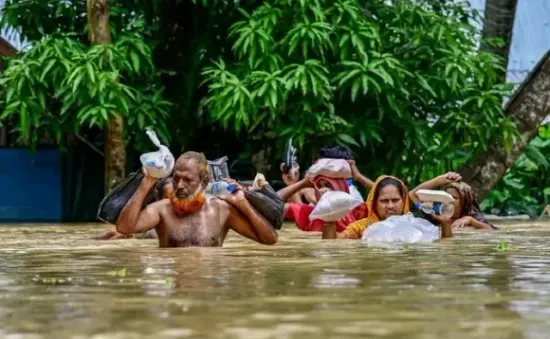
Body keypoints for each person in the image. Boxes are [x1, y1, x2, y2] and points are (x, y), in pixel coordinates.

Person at [115, 151, 278, 247]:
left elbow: (270, 240)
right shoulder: (162, 210)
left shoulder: (221, 210)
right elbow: (124, 228)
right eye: (176, 179)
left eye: (187, 180)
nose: (179, 185)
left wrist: (244, 205)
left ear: (204, 181)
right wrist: (146, 184)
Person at [278, 158, 374, 233]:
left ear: (340, 187)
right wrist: (296, 184)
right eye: (319, 186)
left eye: (328, 185)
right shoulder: (311, 214)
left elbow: (384, 193)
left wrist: (359, 177)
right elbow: (272, 203)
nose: (323, 190)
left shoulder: (356, 212)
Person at [409, 172, 496, 230]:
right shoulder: (435, 215)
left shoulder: (472, 217)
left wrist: (470, 220)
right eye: (447, 196)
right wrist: (438, 180)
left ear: (466, 201)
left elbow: (491, 230)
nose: (449, 200)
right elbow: (412, 194)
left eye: (455, 197)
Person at [337, 175, 412, 239]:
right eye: (384, 200)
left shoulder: (413, 227)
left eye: (395, 200)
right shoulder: (360, 228)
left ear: (403, 202)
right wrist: (329, 224)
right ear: (374, 204)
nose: (390, 206)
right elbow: (337, 241)